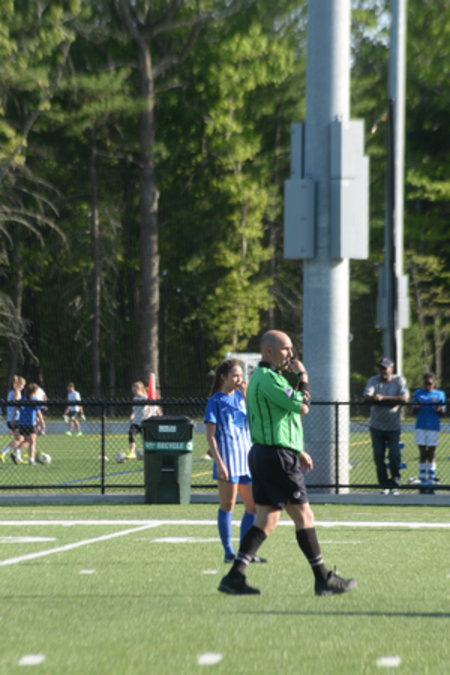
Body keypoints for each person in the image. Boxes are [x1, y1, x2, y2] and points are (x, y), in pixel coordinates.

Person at [218, 330, 356, 597]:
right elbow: (302, 405)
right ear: (268, 350)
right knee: (304, 516)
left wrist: (298, 449)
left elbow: (283, 418)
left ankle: (234, 576)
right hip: (276, 457)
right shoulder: (268, 378)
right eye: (286, 348)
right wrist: (303, 376)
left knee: (267, 520)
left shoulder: (268, 378)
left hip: (268, 454)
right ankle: (323, 579)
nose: (291, 354)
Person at [205, 359, 266, 564]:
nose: (239, 379)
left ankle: (245, 552)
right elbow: (210, 436)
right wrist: (219, 463)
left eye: (241, 375)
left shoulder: (242, 397)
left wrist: (247, 394)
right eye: (235, 375)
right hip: (228, 459)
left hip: (247, 459)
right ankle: (228, 552)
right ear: (224, 377)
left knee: (253, 507)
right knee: (228, 504)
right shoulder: (215, 401)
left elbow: (257, 418)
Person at [363, 357, 409, 494]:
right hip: (376, 426)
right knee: (379, 457)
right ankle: (384, 485)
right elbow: (367, 397)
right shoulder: (373, 380)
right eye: (381, 368)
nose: (382, 371)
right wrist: (380, 399)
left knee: (394, 455)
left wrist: (383, 399)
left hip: (394, 426)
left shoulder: (399, 380)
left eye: (385, 368)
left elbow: (404, 398)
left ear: (391, 369)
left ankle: (395, 482)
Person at [412, 372, 446, 494]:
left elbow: (443, 414)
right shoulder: (418, 393)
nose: (428, 386)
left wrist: (439, 409)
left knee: (431, 453)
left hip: (433, 427)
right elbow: (413, 411)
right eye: (426, 383)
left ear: (434, 383)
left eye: (430, 384)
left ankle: (431, 481)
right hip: (421, 426)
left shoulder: (439, 394)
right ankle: (423, 481)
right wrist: (417, 407)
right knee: (422, 453)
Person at [10, 383, 45, 465]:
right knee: (32, 442)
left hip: (21, 423)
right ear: (34, 391)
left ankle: (17, 452)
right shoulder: (34, 399)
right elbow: (39, 412)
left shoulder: (22, 398)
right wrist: (42, 422)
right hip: (30, 423)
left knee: (27, 440)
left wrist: (13, 419)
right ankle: (31, 460)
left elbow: (16, 408)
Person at [127, 380, 161, 458]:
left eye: (135, 390)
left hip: (144, 422)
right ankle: (132, 452)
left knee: (144, 439)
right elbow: (135, 410)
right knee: (131, 434)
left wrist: (148, 404)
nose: (134, 391)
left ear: (140, 389)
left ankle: (147, 452)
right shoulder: (135, 398)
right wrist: (132, 416)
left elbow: (150, 406)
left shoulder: (146, 397)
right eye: (133, 390)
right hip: (136, 422)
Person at [1, 375, 26, 463]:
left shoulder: (11, 392)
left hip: (11, 418)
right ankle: (3, 452)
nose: (23, 387)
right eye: (22, 385)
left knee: (21, 438)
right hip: (15, 419)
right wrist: (14, 419)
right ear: (18, 384)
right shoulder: (16, 392)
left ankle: (17, 456)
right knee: (20, 439)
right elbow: (16, 405)